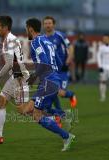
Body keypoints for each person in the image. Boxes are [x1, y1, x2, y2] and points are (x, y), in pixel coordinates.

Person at [17, 18, 75, 152]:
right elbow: (58, 61)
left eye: (26, 28)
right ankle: (64, 115)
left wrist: (33, 76)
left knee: (36, 115)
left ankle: (66, 136)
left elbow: (43, 62)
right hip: (53, 79)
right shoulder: (47, 40)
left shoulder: (36, 42)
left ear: (30, 28)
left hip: (48, 82)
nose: (26, 31)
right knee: (28, 111)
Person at [0, 16, 29, 144]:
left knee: (24, 111)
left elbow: (9, 64)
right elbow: (11, 62)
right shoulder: (10, 39)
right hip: (14, 77)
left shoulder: (9, 41)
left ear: (5, 27)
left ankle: (53, 118)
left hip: (19, 79)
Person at [42, 16, 77, 110]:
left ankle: (71, 95)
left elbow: (71, 48)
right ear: (43, 25)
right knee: (52, 92)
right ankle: (59, 113)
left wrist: (67, 62)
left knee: (61, 93)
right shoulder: (42, 39)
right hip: (51, 71)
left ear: (53, 24)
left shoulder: (60, 35)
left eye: (49, 23)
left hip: (62, 69)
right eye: (46, 23)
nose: (48, 25)